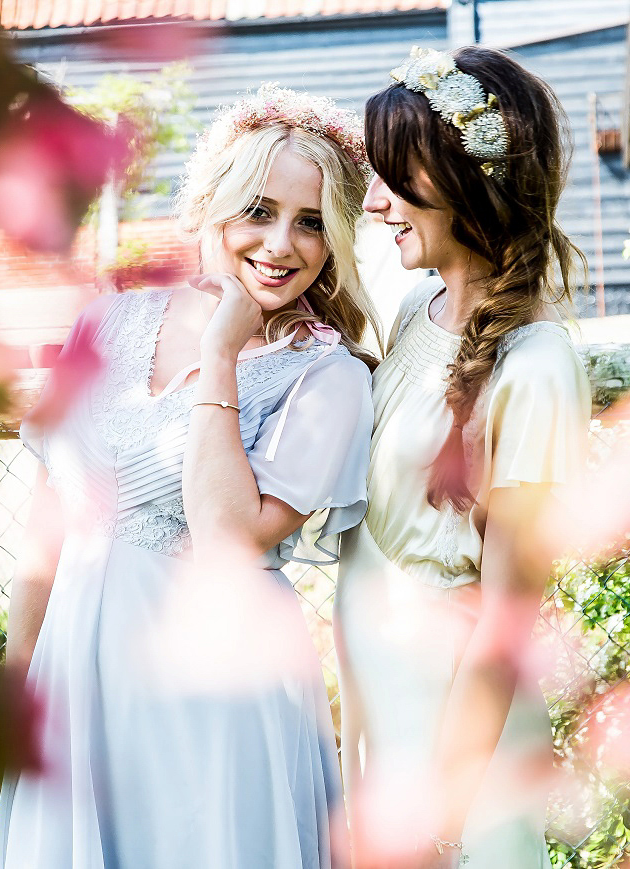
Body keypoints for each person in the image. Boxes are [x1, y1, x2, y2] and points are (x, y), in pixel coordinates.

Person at [0, 84, 381, 869]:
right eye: (260, 210)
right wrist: (17, 674)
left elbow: (230, 541)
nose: (281, 243)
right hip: (81, 673)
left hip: (218, 696)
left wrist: (222, 355)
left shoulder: (328, 377)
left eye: (311, 222)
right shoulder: (107, 321)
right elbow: (48, 523)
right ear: (213, 205)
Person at [335, 46, 592, 868]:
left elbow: (504, 624)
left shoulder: (537, 364)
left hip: (457, 756)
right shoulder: (419, 308)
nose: (375, 204)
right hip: (387, 723)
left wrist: (440, 824)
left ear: (464, 179)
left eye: (393, 178)